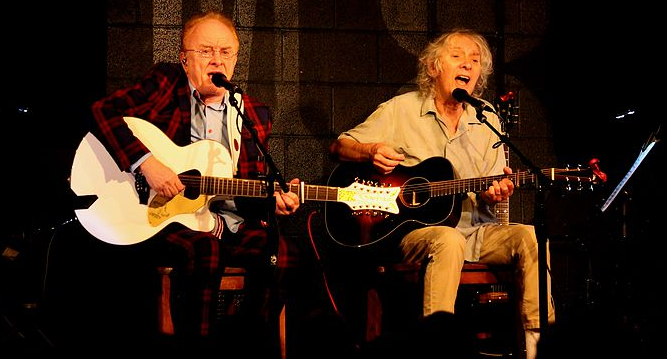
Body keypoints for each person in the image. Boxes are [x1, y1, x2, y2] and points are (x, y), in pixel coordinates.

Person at [328, 29, 555, 359]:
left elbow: (491, 187)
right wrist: (371, 150)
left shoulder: (487, 117)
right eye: (457, 56)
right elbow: (341, 145)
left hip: (478, 230)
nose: (467, 64)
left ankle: (538, 348)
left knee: (531, 237)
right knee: (449, 241)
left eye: (475, 60)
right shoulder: (401, 109)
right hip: (417, 233)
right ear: (433, 67)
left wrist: (495, 194)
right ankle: (437, 351)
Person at [86, 10, 300, 353]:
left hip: (227, 223)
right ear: (185, 60)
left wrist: (273, 200)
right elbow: (103, 111)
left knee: (284, 254)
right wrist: (147, 163)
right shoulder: (166, 84)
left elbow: (247, 185)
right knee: (206, 251)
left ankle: (244, 343)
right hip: (168, 219)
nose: (217, 60)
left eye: (225, 52)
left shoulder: (253, 114)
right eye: (205, 51)